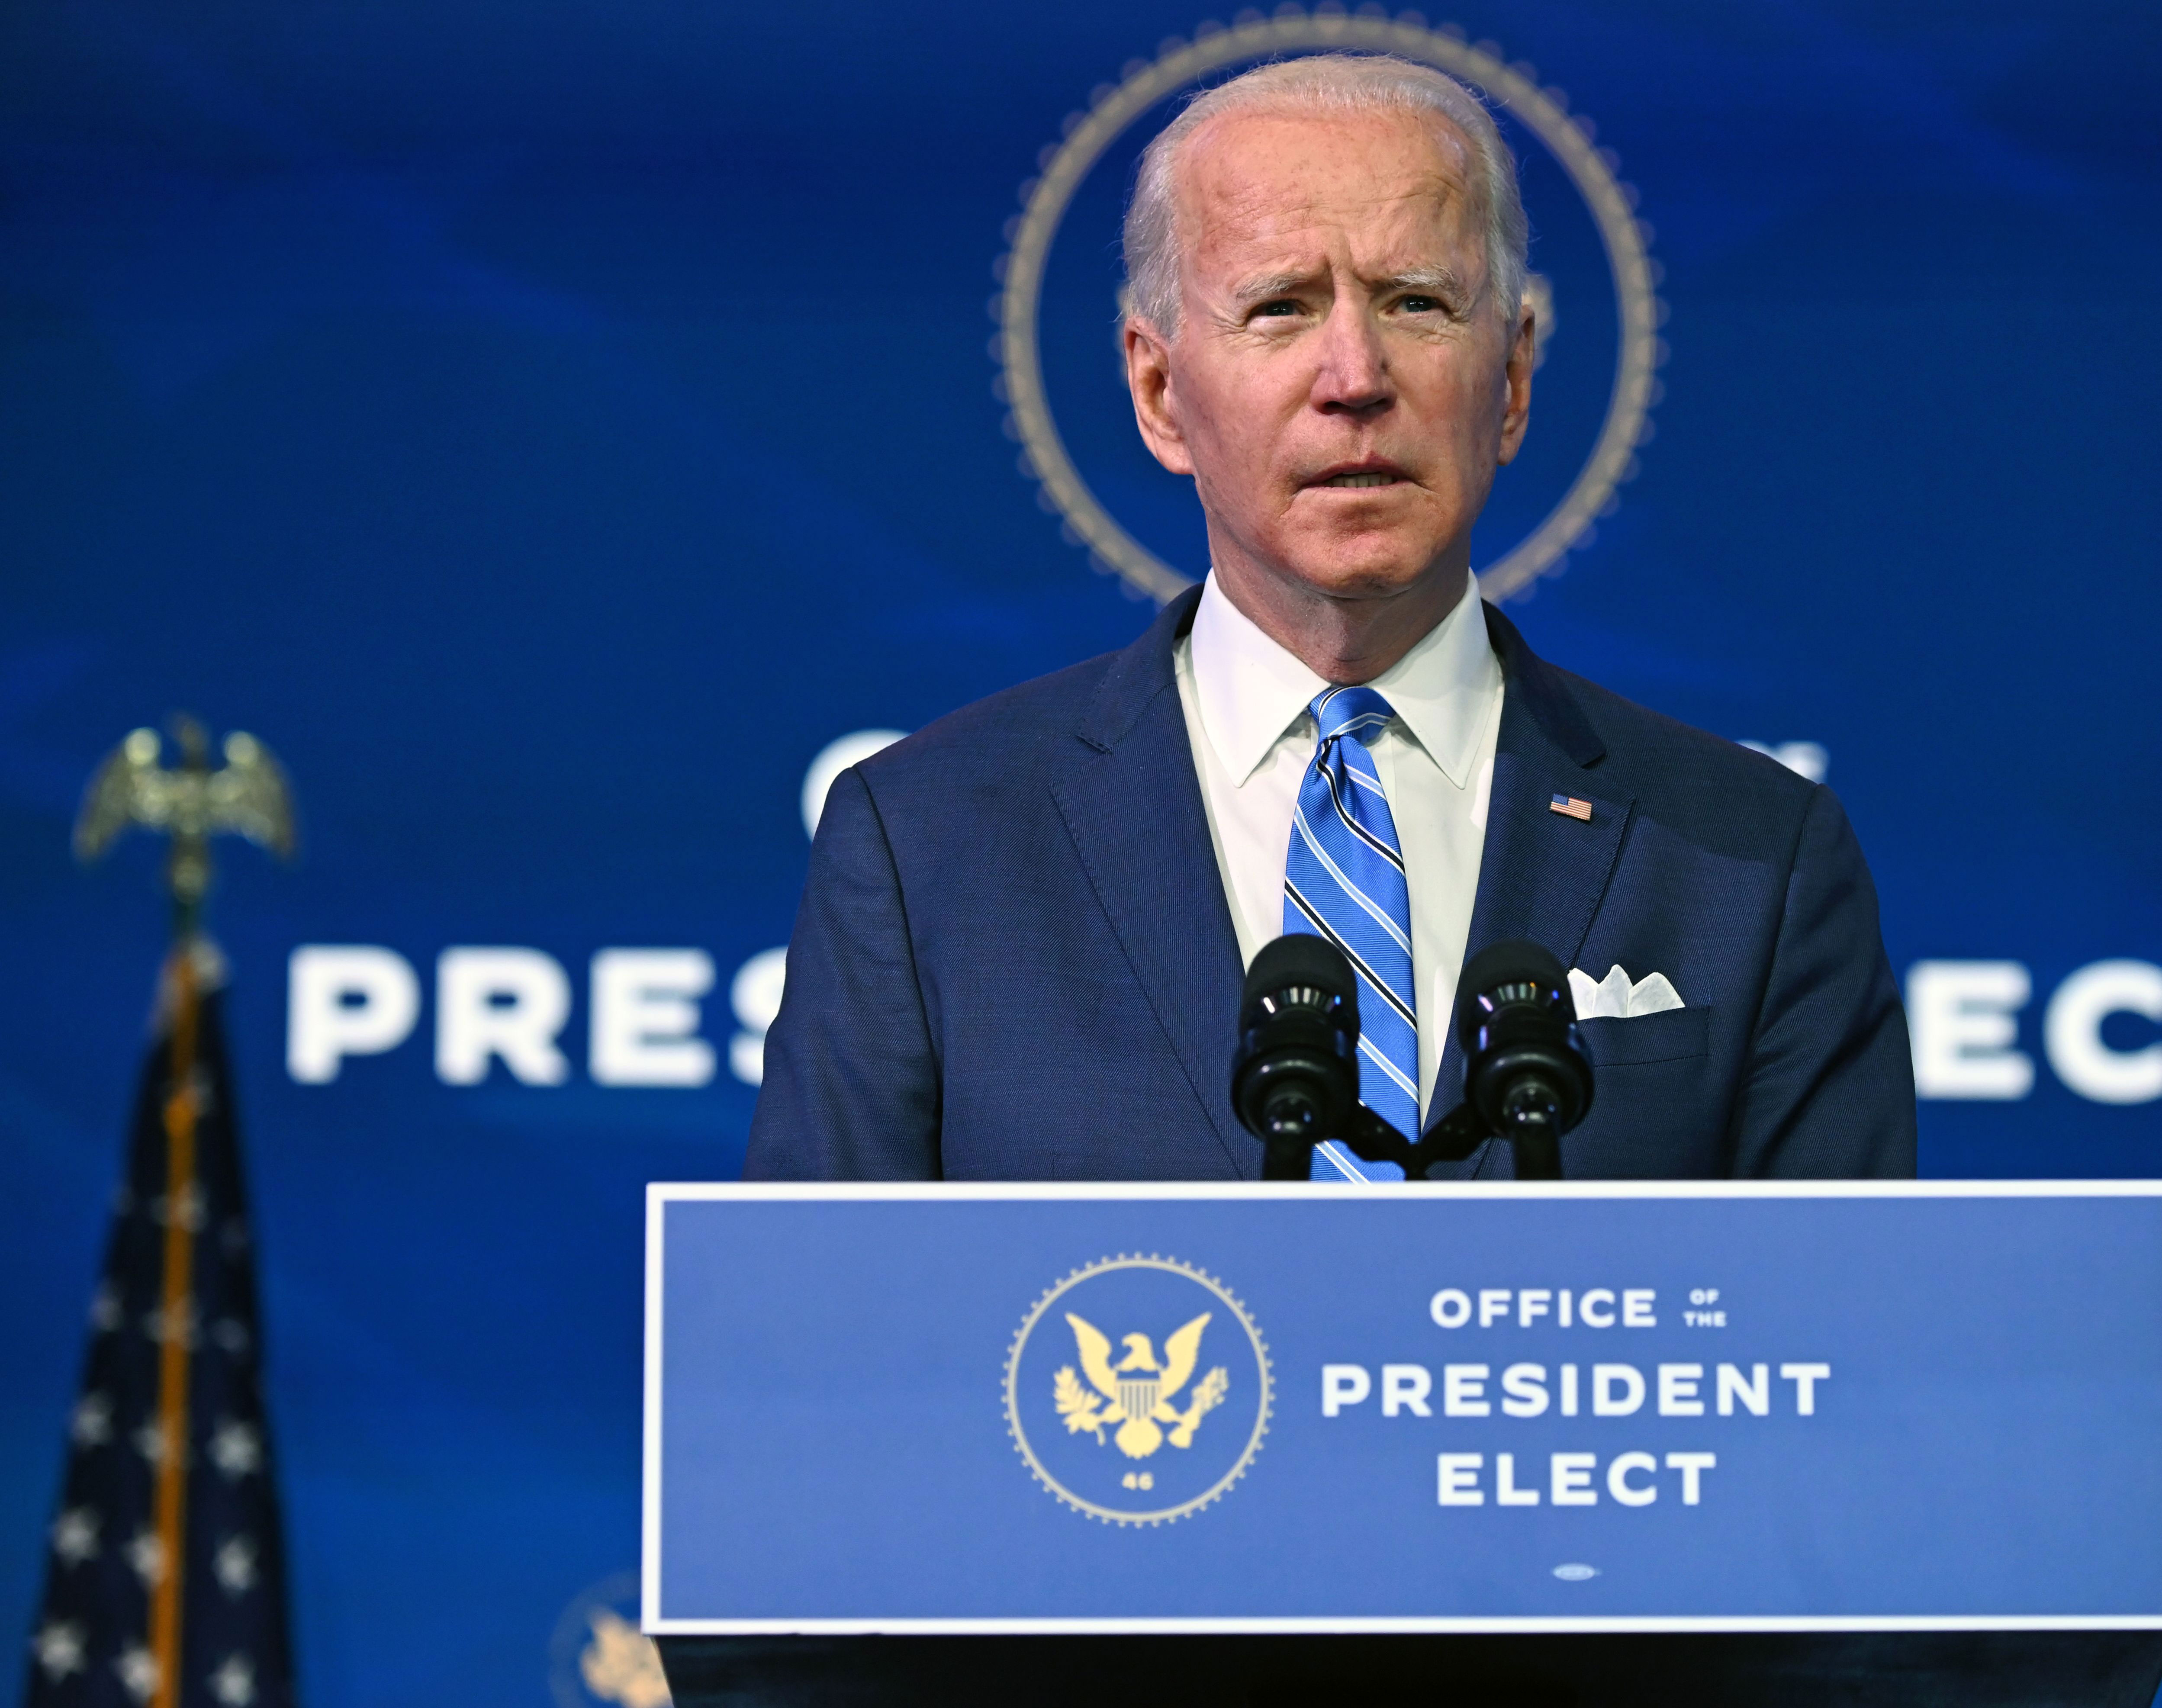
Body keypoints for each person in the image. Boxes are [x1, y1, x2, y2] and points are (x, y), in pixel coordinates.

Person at [747, 54, 1912, 1183]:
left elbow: (1842, 1354)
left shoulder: (1756, 861)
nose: (1354, 374)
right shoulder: (922, 849)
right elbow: (812, 1353)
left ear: (1510, 382)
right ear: (1160, 394)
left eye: (1417, 301)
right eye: (1281, 307)